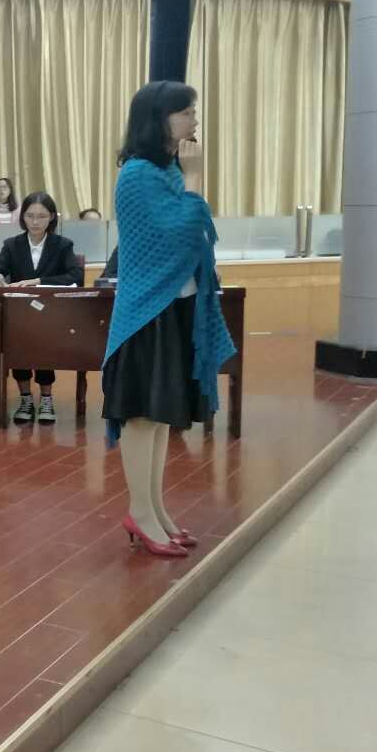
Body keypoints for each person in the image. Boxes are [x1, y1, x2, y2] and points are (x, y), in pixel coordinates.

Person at [102, 81, 234, 557]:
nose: (194, 119)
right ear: (160, 118)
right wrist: (194, 179)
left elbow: (189, 230)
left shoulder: (168, 170)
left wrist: (188, 178)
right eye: (186, 112)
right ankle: (140, 512)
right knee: (142, 417)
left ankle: (154, 510)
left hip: (176, 305)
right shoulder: (137, 174)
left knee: (160, 419)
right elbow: (182, 231)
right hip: (147, 312)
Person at [0, 192, 81, 423]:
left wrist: (37, 281)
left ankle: (46, 398)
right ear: (23, 217)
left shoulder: (62, 245)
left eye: (41, 216)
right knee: (18, 344)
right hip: (19, 314)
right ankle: (25, 398)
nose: (35, 222)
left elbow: (76, 275)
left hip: (51, 313)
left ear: (52, 218)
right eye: (30, 216)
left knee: (44, 344)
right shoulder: (12, 245)